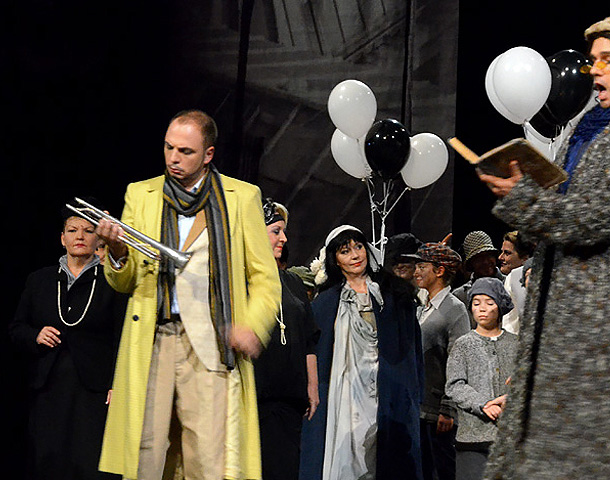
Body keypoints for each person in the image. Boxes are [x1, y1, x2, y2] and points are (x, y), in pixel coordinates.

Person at [477, 14, 610, 477]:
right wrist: (529, 193)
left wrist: (524, 200)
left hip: (599, 324)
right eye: (593, 60)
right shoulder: (588, 126)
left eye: (609, 59)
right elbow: (567, 205)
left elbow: (595, 217)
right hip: (555, 318)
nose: (596, 70)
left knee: (588, 456)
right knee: (540, 454)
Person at [95, 110, 281, 479]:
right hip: (154, 338)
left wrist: (252, 325)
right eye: (168, 148)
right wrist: (116, 252)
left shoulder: (241, 198)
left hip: (211, 341)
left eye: (185, 151)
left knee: (208, 457)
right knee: (145, 451)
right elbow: (124, 281)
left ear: (208, 154)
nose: (173, 158)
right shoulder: (141, 194)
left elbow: (265, 277)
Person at [10, 207, 127, 480]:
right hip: (48, 387)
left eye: (88, 231)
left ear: (99, 239)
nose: (80, 237)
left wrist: (117, 383)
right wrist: (35, 335)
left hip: (94, 389)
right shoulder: (40, 279)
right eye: (72, 230)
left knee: (90, 462)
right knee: (49, 462)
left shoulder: (112, 280)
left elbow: (122, 335)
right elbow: (16, 328)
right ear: (62, 238)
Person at [300, 225, 424, 480]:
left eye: (358, 247)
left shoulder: (393, 295)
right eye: (345, 251)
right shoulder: (326, 302)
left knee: (387, 455)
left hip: (386, 389)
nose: (355, 255)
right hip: (345, 392)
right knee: (350, 451)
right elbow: (316, 352)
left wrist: (412, 390)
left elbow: (410, 349)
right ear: (335, 259)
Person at [252, 198, 320, 480]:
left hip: (290, 398)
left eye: (284, 231)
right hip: (256, 395)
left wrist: (312, 386)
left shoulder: (292, 282)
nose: (284, 238)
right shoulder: (243, 278)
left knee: (285, 469)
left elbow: (308, 339)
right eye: (276, 231)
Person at [446, 278, 520, 480]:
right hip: (473, 439)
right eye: (476, 303)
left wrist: (512, 397)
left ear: (500, 306)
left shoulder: (516, 344)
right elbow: (455, 385)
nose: (482, 309)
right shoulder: (463, 345)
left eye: (489, 302)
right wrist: (483, 404)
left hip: (510, 437)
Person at [409, 242, 471, 480]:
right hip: (419, 405)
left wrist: (448, 407)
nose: (416, 271)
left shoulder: (454, 309)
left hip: (437, 411)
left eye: (422, 266)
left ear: (440, 271)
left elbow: (459, 359)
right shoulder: (422, 306)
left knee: (441, 470)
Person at [452, 231, 504, 308]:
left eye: (489, 255)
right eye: (479, 258)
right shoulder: (460, 296)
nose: (486, 261)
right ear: (471, 263)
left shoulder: (510, 284)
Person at [498, 230, 534, 334]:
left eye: (507, 253)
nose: (500, 257)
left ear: (525, 258)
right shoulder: (511, 277)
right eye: (502, 252)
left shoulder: (514, 275)